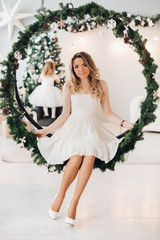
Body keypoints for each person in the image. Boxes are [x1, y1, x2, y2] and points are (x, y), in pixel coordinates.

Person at [34, 52, 133, 226]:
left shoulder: (101, 85)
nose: (80, 69)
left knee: (90, 153)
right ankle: (61, 194)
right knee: (77, 155)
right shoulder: (69, 86)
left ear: (90, 65)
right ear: (73, 69)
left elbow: (107, 113)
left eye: (83, 65)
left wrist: (126, 124)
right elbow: (64, 115)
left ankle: (74, 202)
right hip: (74, 127)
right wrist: (46, 130)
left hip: (92, 128)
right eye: (76, 66)